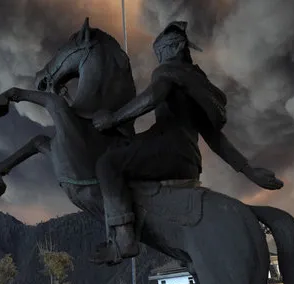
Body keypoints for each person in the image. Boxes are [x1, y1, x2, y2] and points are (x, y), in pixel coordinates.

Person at [89, 21, 283, 265]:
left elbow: (153, 97)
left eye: (163, 50)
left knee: (107, 164)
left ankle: (124, 238)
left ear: (178, 47)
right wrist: (249, 171)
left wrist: (113, 118)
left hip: (167, 150)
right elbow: (214, 138)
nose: (159, 56)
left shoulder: (167, 72)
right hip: (189, 160)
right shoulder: (196, 84)